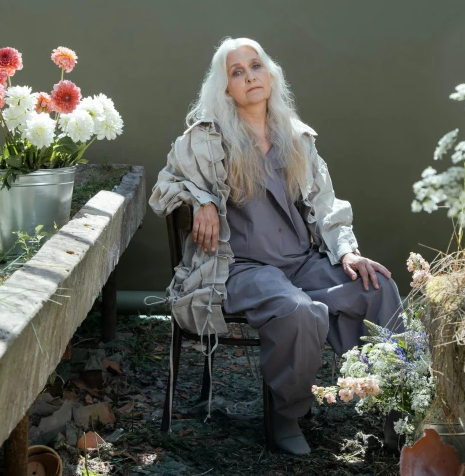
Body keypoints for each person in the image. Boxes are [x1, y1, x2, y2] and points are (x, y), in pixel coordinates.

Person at [149, 37, 403, 456]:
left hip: (302, 262)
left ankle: (396, 407)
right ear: (225, 87)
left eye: (256, 65)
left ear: (270, 74)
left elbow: (327, 205)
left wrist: (347, 252)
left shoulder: (296, 137)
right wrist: (204, 201)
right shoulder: (206, 139)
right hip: (244, 269)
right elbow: (166, 187)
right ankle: (287, 414)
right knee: (299, 311)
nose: (249, 75)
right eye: (237, 71)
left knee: (376, 287)